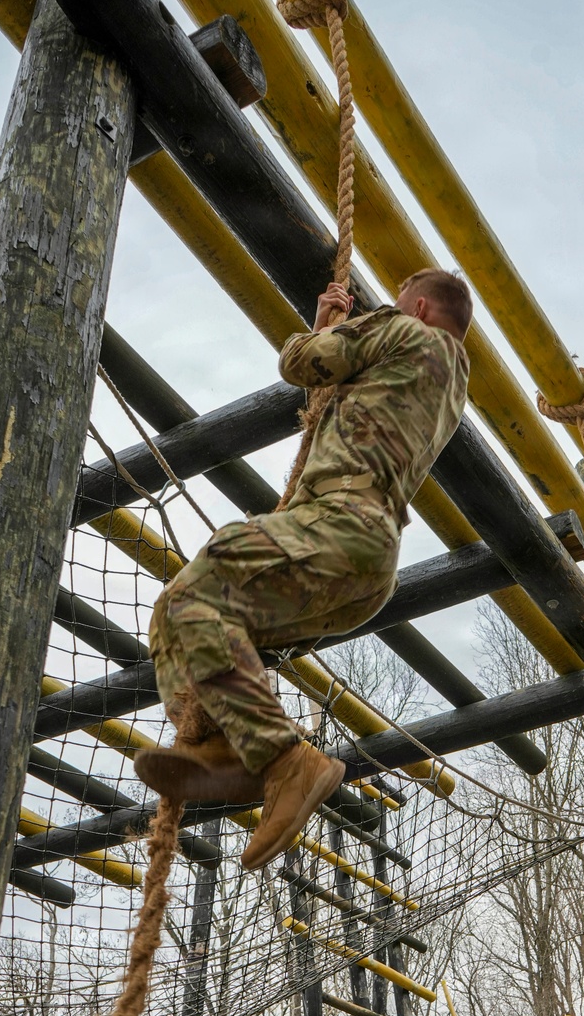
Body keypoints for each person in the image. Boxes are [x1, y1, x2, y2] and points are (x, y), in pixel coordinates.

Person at [137, 268, 473, 871]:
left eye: (398, 304)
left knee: (199, 587)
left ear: (418, 306)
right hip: (363, 568)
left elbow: (305, 362)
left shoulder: (406, 332)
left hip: (343, 525)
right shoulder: (449, 382)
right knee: (177, 613)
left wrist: (321, 329)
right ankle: (221, 744)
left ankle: (285, 758)